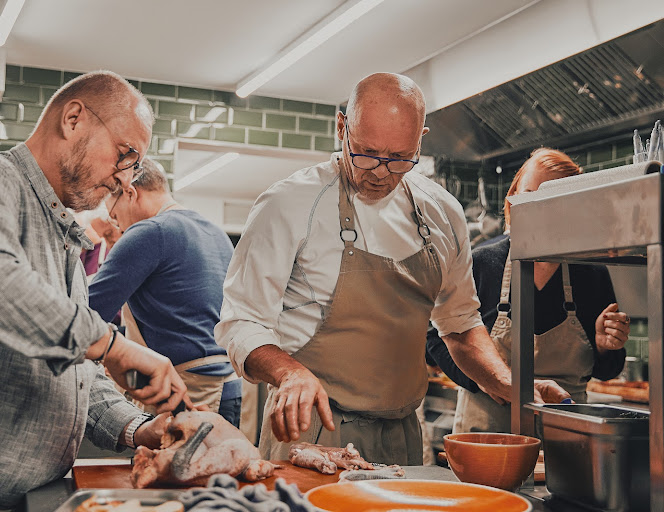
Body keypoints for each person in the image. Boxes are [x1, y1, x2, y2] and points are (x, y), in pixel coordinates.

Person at [215, 73, 569, 466]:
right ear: (340, 128)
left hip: (402, 433)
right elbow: (240, 321)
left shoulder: (443, 211)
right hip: (314, 432)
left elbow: (460, 325)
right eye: (366, 153)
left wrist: (512, 385)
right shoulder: (288, 204)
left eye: (400, 159)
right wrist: (288, 373)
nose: (381, 172)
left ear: (421, 139)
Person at [0, 71, 193, 511]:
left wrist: (139, 428)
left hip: (33, 495)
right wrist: (111, 346)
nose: (125, 180)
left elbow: (76, 375)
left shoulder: (65, 243)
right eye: (125, 154)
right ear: (73, 118)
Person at [426, 148, 630, 433]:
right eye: (528, 193)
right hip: (488, 435)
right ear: (513, 199)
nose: (536, 207)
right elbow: (435, 338)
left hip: (566, 440)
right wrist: (485, 380)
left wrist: (605, 347)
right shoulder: (482, 262)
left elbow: (607, 370)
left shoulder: (591, 275)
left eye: (551, 199)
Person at [90, 157, 241, 427]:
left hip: (185, 390)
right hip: (227, 385)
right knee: (218, 468)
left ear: (130, 193)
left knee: (165, 468)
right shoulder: (216, 234)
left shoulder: (148, 232)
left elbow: (88, 311)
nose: (118, 226)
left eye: (114, 216)